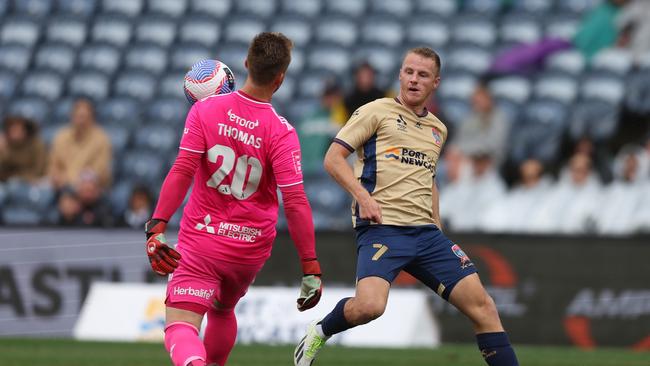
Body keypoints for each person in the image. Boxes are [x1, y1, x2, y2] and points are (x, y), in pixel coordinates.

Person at [294, 47, 519, 366]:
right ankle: (320, 330)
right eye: (409, 72)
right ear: (400, 74)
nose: (414, 79)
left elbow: (429, 180)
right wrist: (363, 196)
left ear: (435, 82)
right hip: (383, 229)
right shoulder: (375, 111)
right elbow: (333, 159)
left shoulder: (438, 129)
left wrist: (438, 227)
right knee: (370, 307)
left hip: (427, 235)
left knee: (484, 307)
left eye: (423, 74)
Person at [144, 32, 322, 366]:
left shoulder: (205, 110)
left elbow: (182, 169)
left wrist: (157, 225)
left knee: (181, 325)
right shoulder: (282, 132)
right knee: (223, 309)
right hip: (249, 248)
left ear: (245, 64)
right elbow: (295, 201)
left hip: (202, 238)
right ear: (280, 79)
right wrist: (310, 264)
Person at [48, 97, 112, 190]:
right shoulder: (61, 136)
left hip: (89, 187)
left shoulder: (101, 139)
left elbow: (98, 172)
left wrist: (69, 180)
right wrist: (56, 177)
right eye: (77, 116)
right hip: (61, 185)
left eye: (84, 117)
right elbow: (53, 165)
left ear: (92, 118)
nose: (80, 121)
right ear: (72, 116)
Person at [454, 82, 511, 167]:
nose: (477, 104)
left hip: (490, 159)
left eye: (480, 100)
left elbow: (492, 144)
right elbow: (459, 140)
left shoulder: (499, 117)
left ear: (489, 99)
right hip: (467, 157)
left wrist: (464, 150)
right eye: (475, 101)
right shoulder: (470, 117)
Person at [0, 116, 47, 183]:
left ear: (25, 130)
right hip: (7, 182)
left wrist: (19, 178)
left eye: (18, 129)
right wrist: (3, 152)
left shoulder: (36, 144)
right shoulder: (5, 145)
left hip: (32, 182)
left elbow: (38, 170)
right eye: (12, 129)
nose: (15, 132)